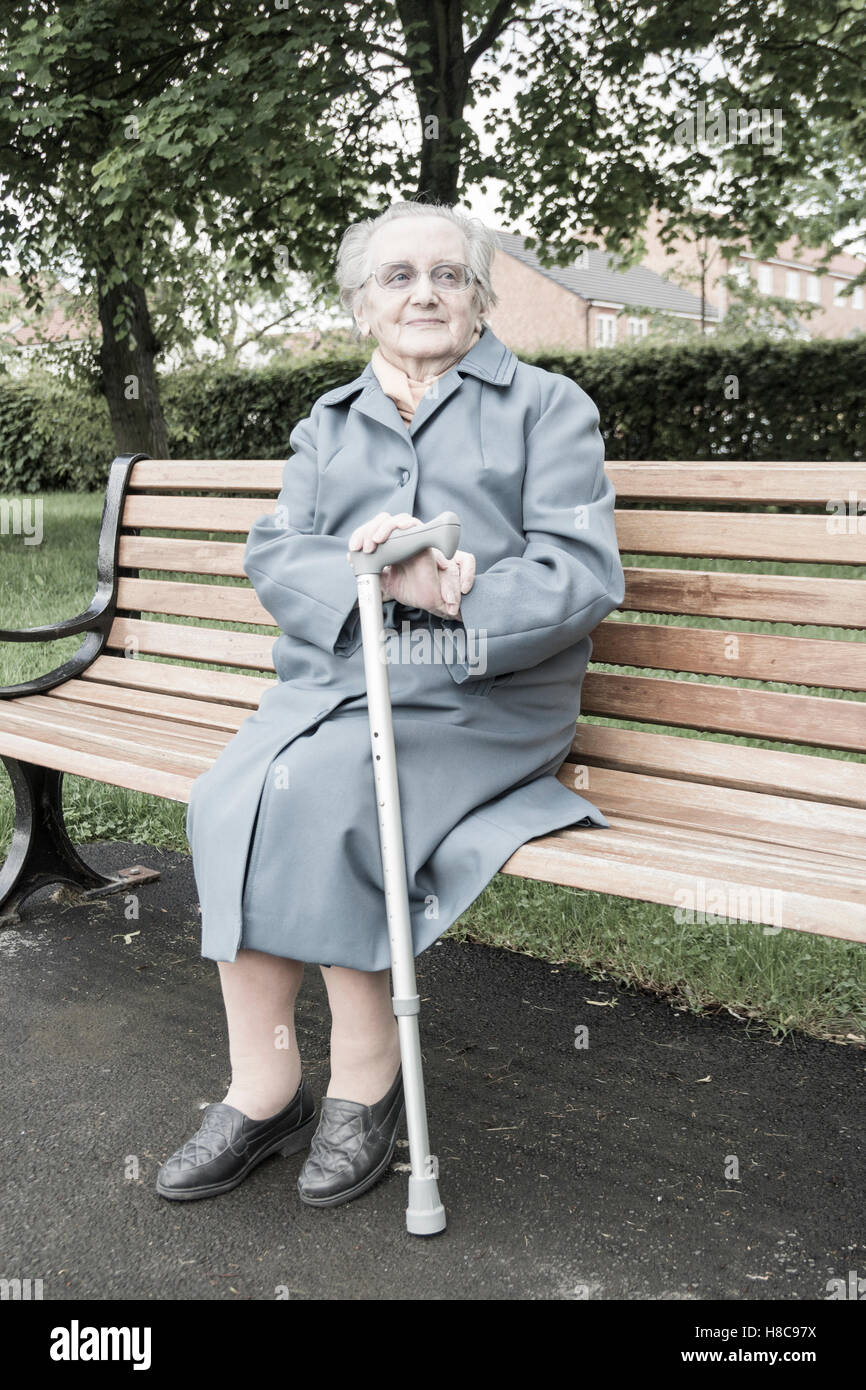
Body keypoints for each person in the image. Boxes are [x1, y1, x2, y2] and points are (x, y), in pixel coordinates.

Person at [156, 200, 625, 1210]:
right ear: (362, 303)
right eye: (397, 276)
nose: (423, 293)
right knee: (228, 795)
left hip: (482, 695)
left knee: (326, 794)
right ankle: (264, 1085)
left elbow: (579, 572)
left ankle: (365, 1084)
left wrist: (451, 591)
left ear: (481, 297)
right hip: (341, 679)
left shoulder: (547, 407)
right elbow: (276, 550)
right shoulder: (328, 421)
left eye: (447, 276)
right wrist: (377, 580)